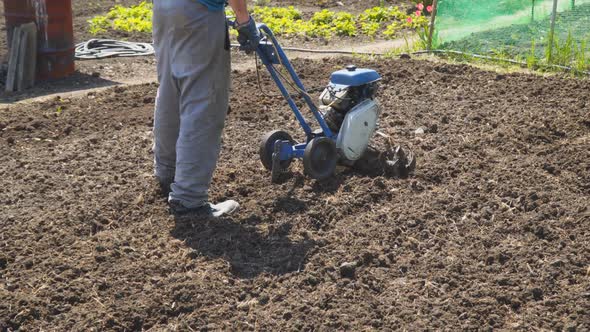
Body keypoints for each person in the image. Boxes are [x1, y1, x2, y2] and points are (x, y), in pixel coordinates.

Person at [152, 0, 260, 218]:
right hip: (198, 13)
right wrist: (243, 18)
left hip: (164, 9)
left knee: (170, 92)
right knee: (204, 102)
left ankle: (168, 173)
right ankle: (188, 197)